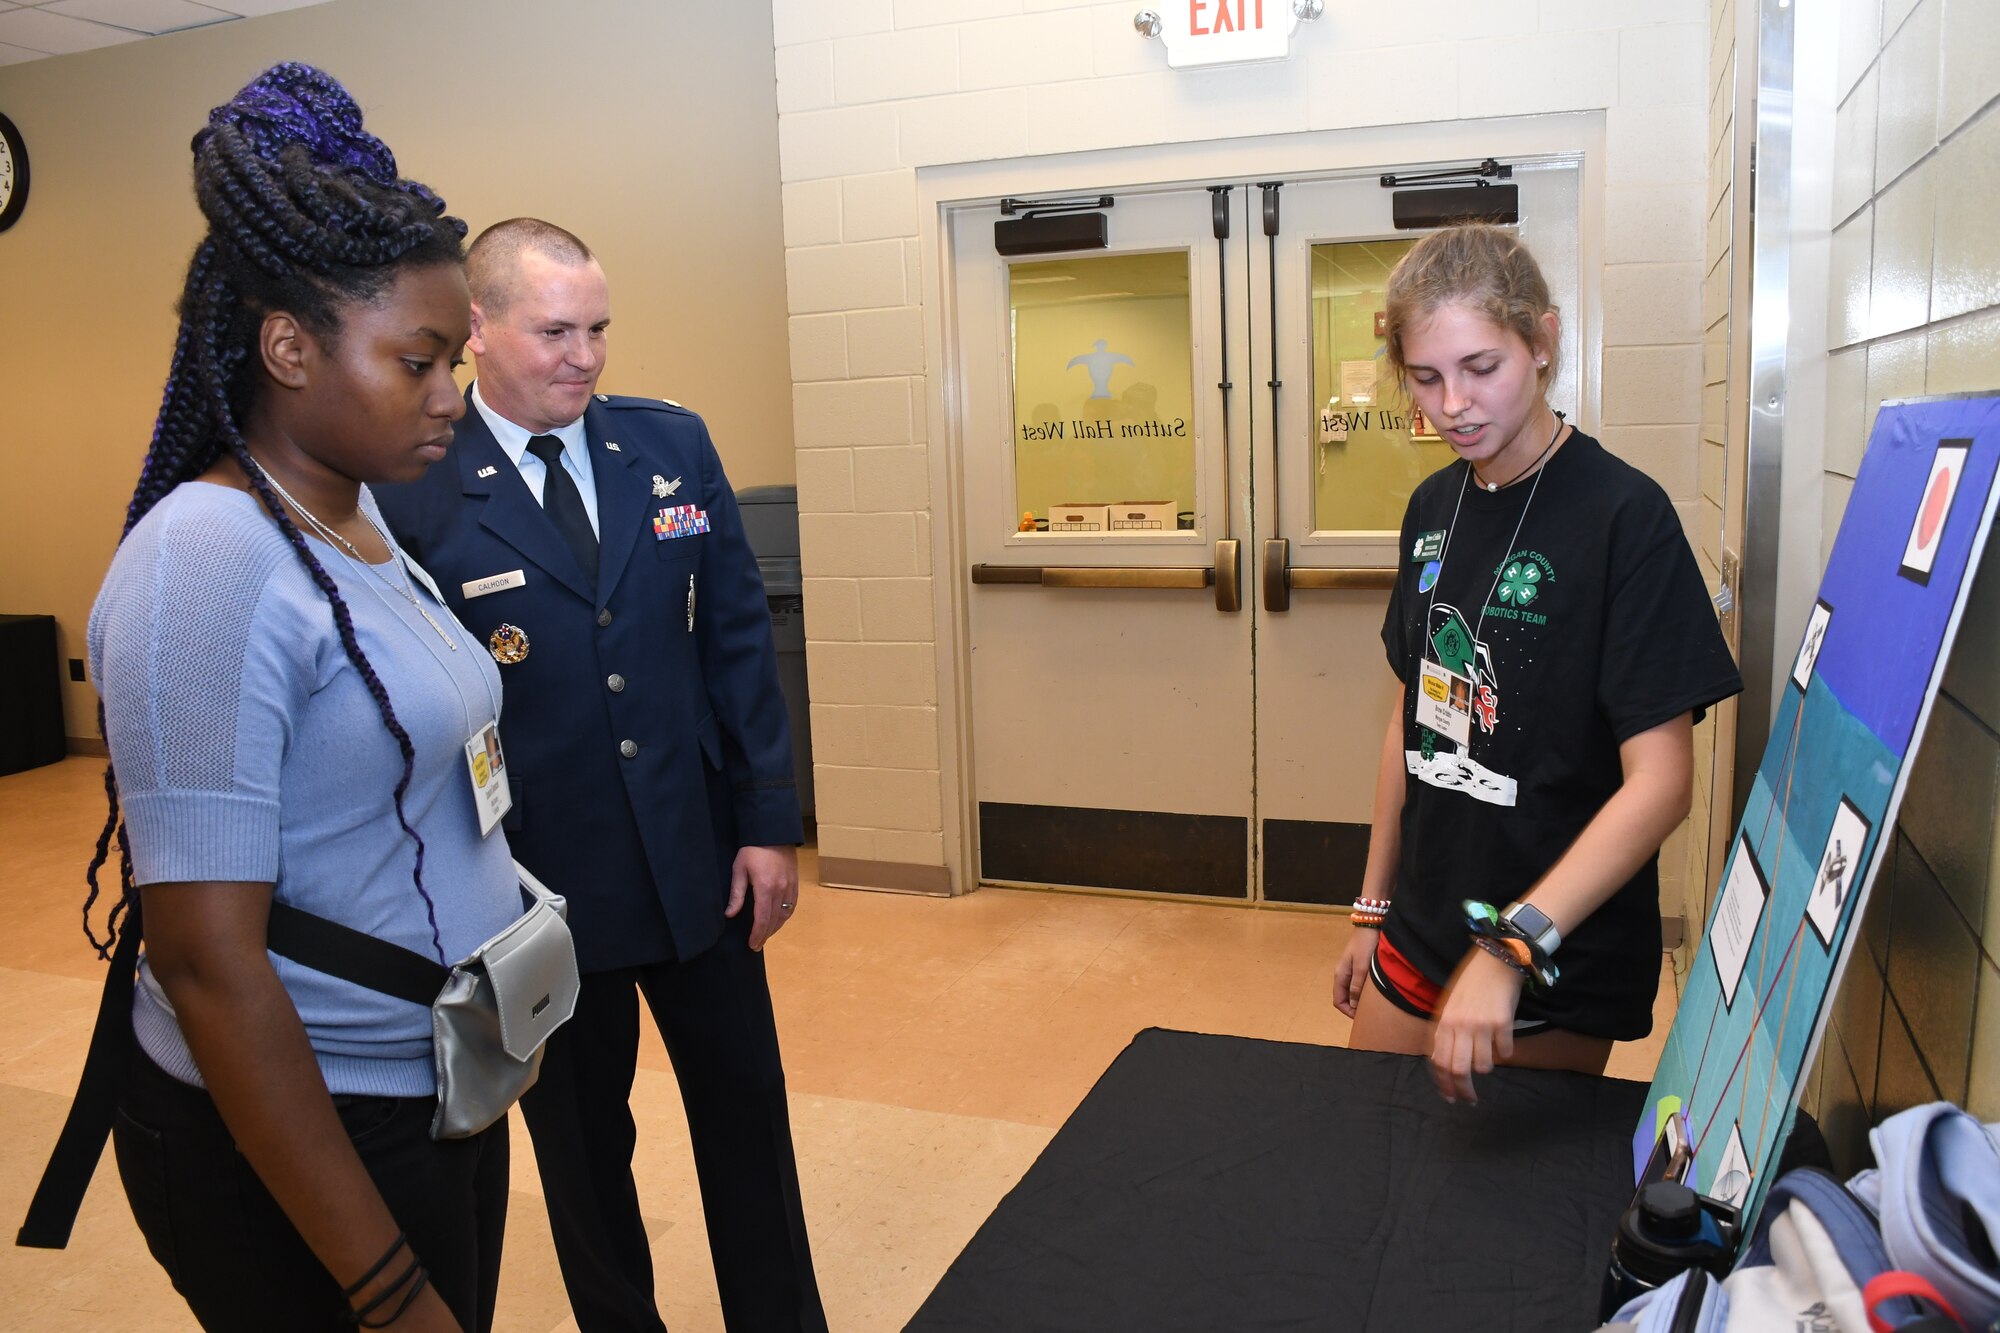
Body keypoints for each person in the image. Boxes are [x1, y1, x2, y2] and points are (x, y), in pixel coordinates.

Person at [58, 64, 517, 1331]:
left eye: (456, 360)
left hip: (437, 1077)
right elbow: (206, 966)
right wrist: (380, 1288)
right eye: (418, 361)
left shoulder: (357, 515)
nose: (450, 397)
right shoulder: (206, 563)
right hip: (306, 1123)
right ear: (287, 345)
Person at [373, 219, 825, 1332]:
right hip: (541, 892)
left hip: (697, 863)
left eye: (599, 328)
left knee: (746, 1124)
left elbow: (733, 643)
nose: (586, 356)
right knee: (581, 1150)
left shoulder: (666, 447)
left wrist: (768, 824)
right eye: (556, 330)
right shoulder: (416, 493)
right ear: (476, 330)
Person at [1333, 224, 1742, 1106]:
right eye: (1427, 376)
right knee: (1361, 1164)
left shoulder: (1624, 517)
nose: (1454, 404)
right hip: (1426, 916)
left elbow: (1663, 783)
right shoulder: (1431, 506)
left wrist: (1516, 943)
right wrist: (1373, 904)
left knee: (1489, 1219)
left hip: (1555, 944)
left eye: (1482, 367)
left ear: (1544, 342)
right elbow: (1409, 718)